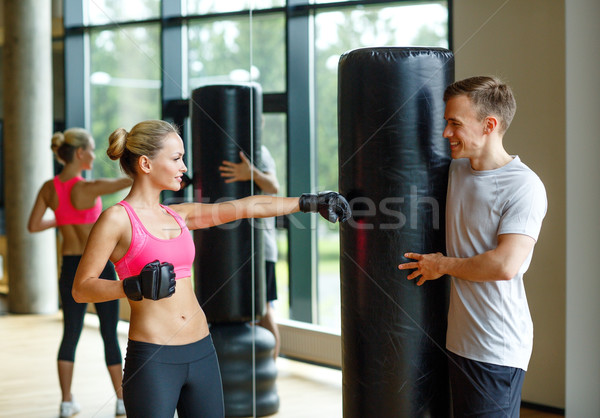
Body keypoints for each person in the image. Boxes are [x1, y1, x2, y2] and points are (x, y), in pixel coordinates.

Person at [71, 119, 350, 418]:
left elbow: (246, 206)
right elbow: (81, 288)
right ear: (146, 164)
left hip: (202, 350)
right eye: (176, 158)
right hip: (154, 357)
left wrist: (309, 202)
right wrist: (131, 286)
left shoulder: (179, 215)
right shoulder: (116, 220)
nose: (184, 167)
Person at [397, 76, 547, 417]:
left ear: (489, 125)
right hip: (457, 342)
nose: (446, 133)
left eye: (455, 124)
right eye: (445, 123)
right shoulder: (456, 171)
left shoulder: (524, 186)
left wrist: (441, 265)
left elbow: (504, 265)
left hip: (496, 347)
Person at [28, 128, 132, 417]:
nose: (93, 154)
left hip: (69, 268)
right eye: (91, 149)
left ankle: (65, 402)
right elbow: (126, 180)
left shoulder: (49, 188)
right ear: (79, 153)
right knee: (109, 334)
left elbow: (34, 225)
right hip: (97, 267)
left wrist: (61, 219)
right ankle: (122, 400)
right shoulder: (89, 187)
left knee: (70, 334)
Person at [219, 146, 281, 360]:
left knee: (263, 311)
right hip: (228, 248)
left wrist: (251, 173)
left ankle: (271, 367)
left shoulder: (260, 151)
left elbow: (274, 186)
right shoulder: (217, 145)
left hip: (261, 248)